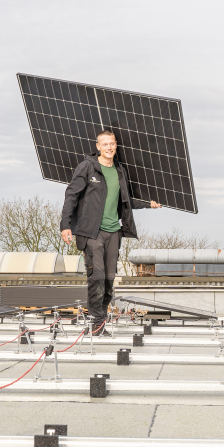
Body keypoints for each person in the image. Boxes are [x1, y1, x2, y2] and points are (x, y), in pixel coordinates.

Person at [61, 130, 161, 334]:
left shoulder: (119, 171)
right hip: (91, 232)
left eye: (112, 144)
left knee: (108, 281)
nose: (109, 147)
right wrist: (65, 225)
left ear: (116, 146)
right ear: (98, 146)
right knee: (96, 277)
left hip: (113, 232)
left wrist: (148, 205)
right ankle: (96, 324)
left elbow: (125, 200)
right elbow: (71, 194)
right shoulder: (88, 167)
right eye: (105, 144)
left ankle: (100, 321)